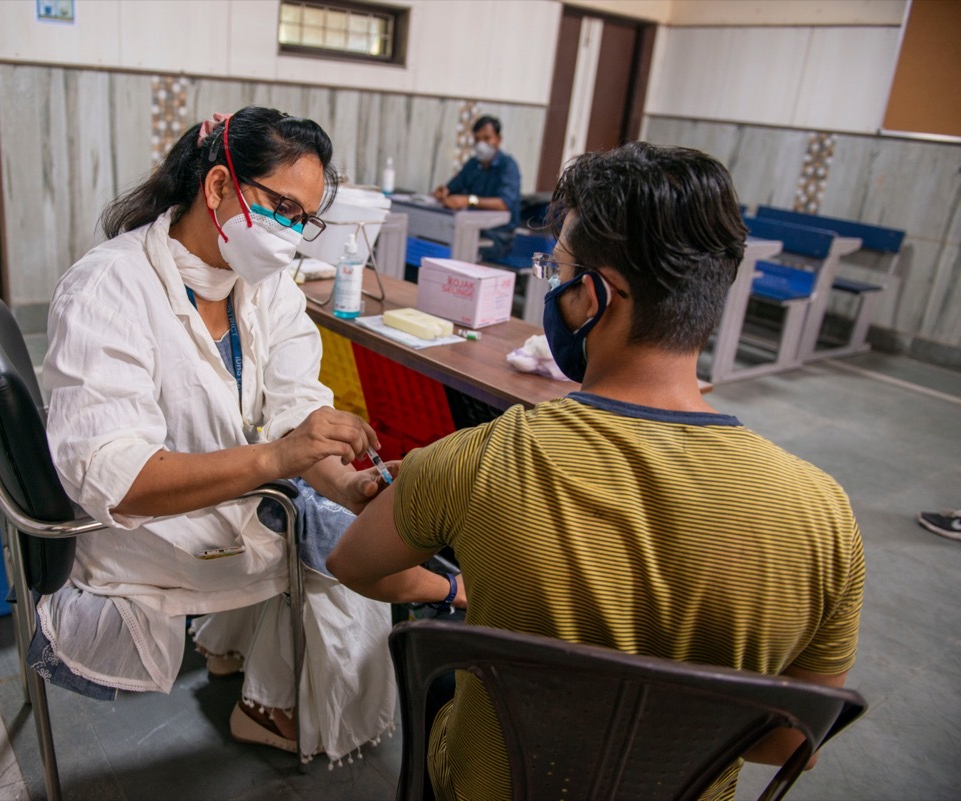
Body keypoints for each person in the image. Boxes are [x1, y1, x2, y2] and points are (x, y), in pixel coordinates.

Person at [329, 142, 865, 801]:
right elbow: (791, 742)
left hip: (493, 786)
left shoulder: (477, 460)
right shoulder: (824, 514)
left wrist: (450, 583)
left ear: (594, 296)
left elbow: (353, 563)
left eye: (557, 269)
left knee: (447, 683)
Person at [38, 106, 450, 765]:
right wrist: (281, 460)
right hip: (144, 531)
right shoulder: (107, 287)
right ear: (219, 187)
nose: (291, 235)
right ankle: (279, 705)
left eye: (304, 219)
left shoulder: (265, 289)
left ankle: (244, 655)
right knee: (338, 549)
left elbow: (295, 416)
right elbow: (118, 478)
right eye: (282, 207)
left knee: (332, 512)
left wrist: (351, 483)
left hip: (219, 506)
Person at [432, 115, 521, 261]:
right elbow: (454, 186)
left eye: (487, 138)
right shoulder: (473, 164)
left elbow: (504, 204)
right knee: (436, 242)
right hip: (469, 229)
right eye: (477, 139)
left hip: (498, 237)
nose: (481, 144)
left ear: (498, 140)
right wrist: (444, 192)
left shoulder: (508, 166)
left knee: (459, 251)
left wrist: (469, 200)